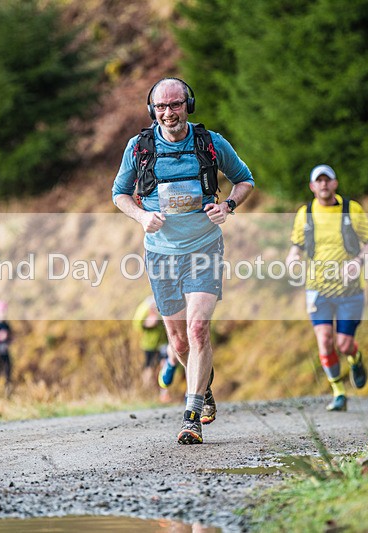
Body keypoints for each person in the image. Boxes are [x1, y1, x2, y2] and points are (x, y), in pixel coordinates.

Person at [112, 77, 254, 444]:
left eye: (175, 105)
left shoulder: (210, 142)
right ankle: (203, 386)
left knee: (197, 330)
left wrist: (228, 206)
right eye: (161, 107)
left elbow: (245, 180)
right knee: (177, 343)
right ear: (151, 110)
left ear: (187, 105)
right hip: (161, 254)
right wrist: (142, 217)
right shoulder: (139, 147)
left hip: (204, 247)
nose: (168, 113)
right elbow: (119, 194)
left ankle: (190, 416)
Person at [285, 164, 368, 412]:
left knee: (344, 344)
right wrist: (293, 257)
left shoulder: (351, 209)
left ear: (335, 184)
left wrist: (358, 263)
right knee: (324, 341)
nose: (324, 185)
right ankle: (338, 392)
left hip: (350, 289)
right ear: (312, 186)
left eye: (328, 180)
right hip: (317, 288)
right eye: (319, 181)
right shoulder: (305, 213)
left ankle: (355, 359)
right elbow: (297, 245)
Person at [132, 295, 176, 402]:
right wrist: (148, 323)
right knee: (149, 368)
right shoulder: (145, 306)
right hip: (149, 344)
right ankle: (146, 393)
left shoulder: (167, 300)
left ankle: (164, 394)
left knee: (164, 363)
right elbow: (137, 324)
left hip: (163, 342)